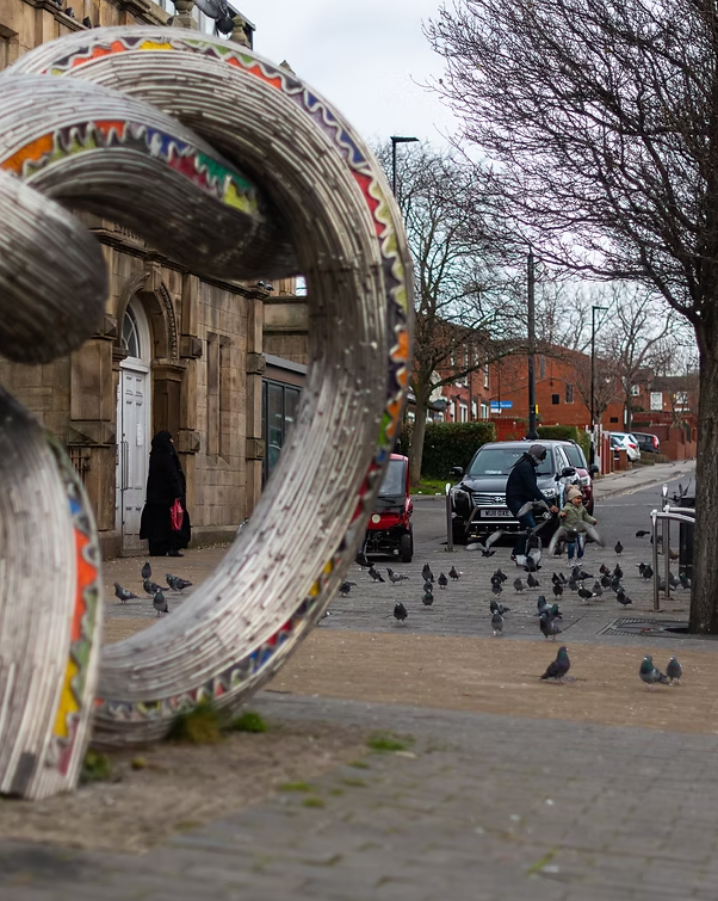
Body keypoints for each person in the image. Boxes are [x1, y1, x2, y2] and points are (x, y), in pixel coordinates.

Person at [139, 430, 191, 557]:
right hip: (167, 497)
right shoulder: (167, 456)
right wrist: (178, 492)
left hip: (155, 497)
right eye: (170, 439)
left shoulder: (155, 455)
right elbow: (172, 474)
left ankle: (157, 548)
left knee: (156, 525)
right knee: (172, 522)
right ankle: (172, 547)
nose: (172, 442)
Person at [505, 444, 559, 565]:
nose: (542, 460)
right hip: (517, 501)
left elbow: (529, 488)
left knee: (527, 528)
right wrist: (549, 504)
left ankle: (518, 553)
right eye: (542, 457)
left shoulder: (526, 465)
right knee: (530, 527)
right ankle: (519, 553)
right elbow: (532, 488)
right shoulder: (526, 467)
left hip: (520, 501)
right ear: (535, 456)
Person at [560, 484, 597, 560]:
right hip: (570, 530)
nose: (579, 500)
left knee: (581, 545)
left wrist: (593, 520)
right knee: (571, 545)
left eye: (580, 498)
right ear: (571, 499)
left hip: (580, 530)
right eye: (577, 498)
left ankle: (579, 557)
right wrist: (562, 515)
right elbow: (560, 513)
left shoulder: (582, 508)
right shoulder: (567, 507)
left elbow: (586, 516)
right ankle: (571, 558)